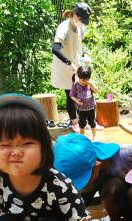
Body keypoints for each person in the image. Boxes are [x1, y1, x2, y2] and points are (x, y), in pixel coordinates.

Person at [54, 133, 132, 221]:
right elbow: (78, 199)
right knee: (111, 187)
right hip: (119, 202)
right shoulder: (84, 160)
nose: (84, 184)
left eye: (84, 179)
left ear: (97, 166)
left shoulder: (126, 155)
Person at [51, 3, 92, 132]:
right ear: (74, 15)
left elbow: (79, 45)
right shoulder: (63, 28)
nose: (82, 23)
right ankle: (74, 123)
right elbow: (55, 48)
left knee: (83, 92)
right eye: (81, 20)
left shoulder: (80, 28)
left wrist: (86, 55)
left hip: (76, 64)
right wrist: (69, 63)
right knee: (71, 94)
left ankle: (84, 122)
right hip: (64, 66)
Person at [70, 65, 98, 140]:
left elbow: (96, 91)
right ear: (79, 77)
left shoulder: (90, 83)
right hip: (81, 109)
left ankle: (94, 136)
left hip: (91, 108)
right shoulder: (76, 84)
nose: (85, 81)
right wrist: (77, 101)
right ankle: (82, 138)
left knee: (92, 122)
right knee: (82, 124)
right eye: (83, 80)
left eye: (87, 79)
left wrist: (91, 85)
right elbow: (71, 95)